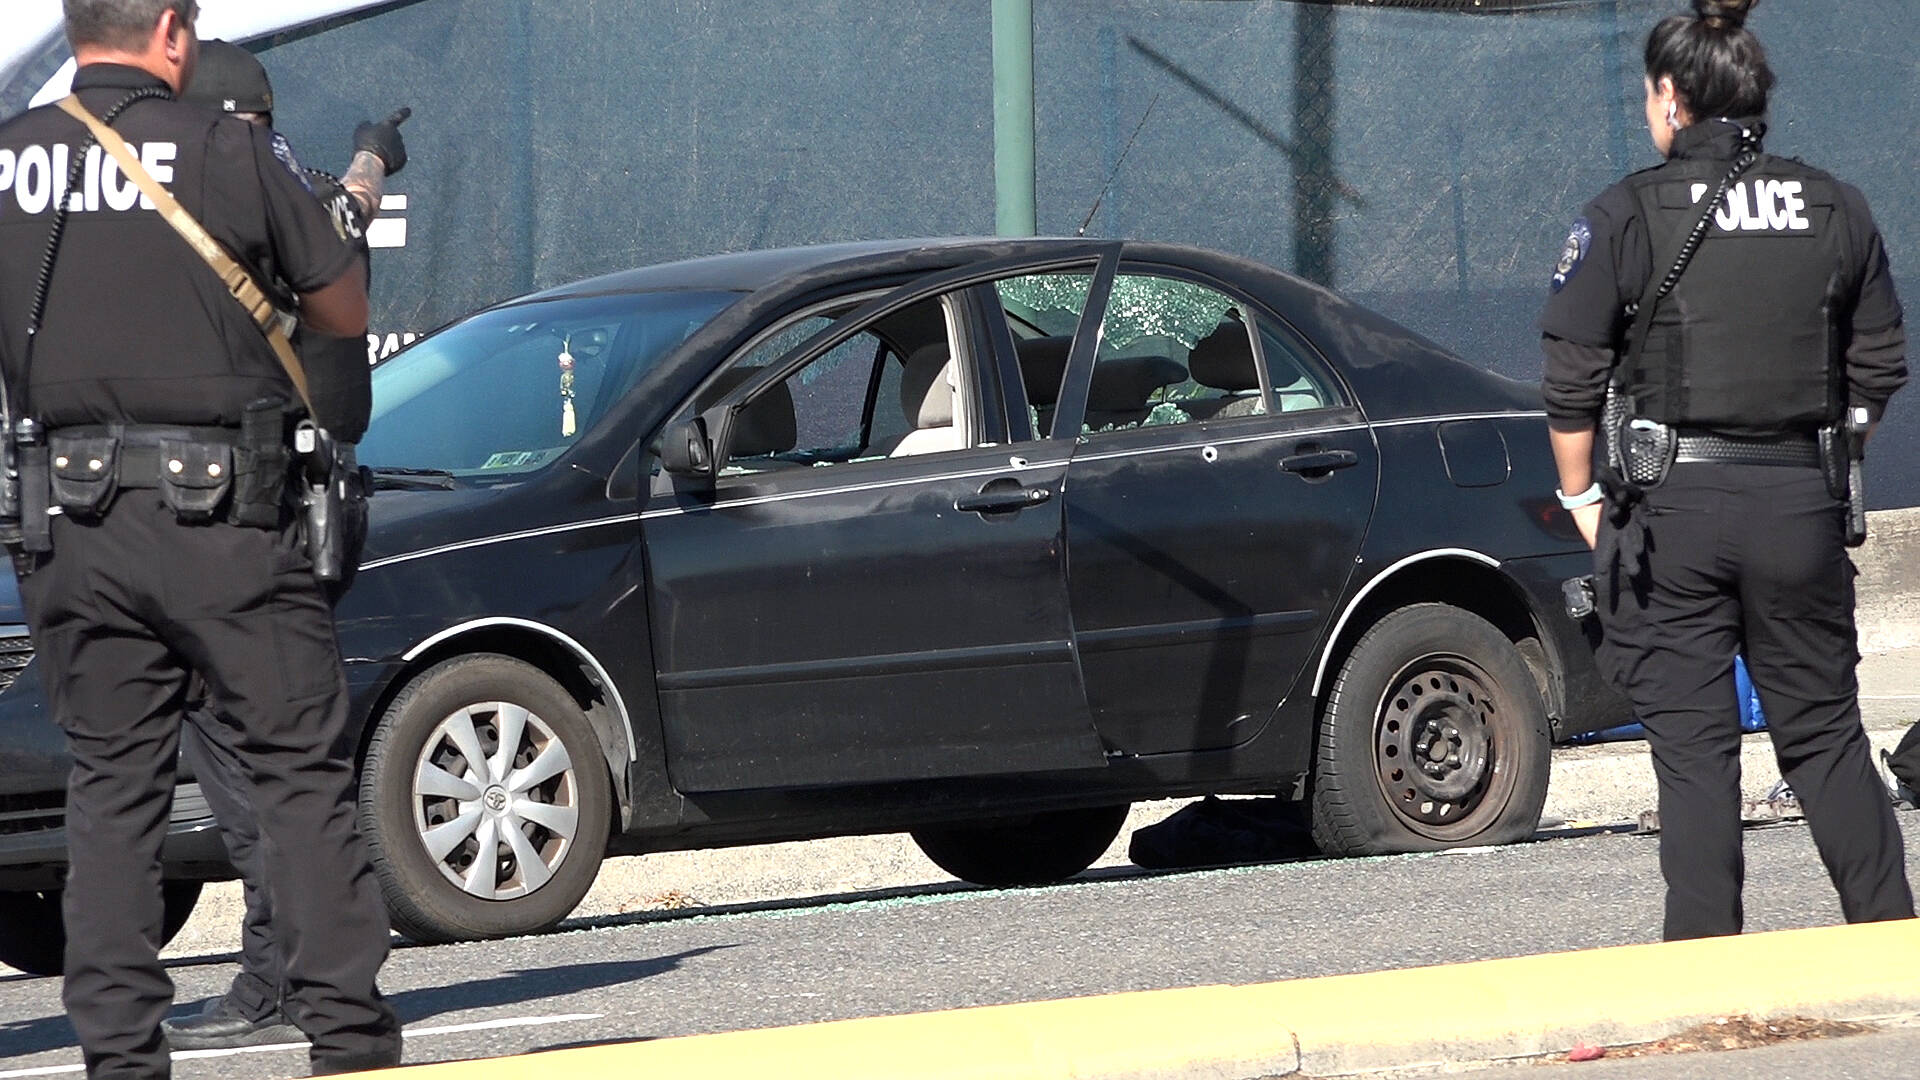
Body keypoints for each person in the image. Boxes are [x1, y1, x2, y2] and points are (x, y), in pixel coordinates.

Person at [0, 3, 402, 1076]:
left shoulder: (10, 165)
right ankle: (348, 1036)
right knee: (296, 776)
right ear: (171, 31)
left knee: (112, 790)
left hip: (69, 525)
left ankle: (122, 1057)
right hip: (226, 521)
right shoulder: (225, 146)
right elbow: (341, 304)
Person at [1540, 0, 1914, 941]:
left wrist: (1579, 494)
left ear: (1673, 97)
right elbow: (1877, 363)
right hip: (1799, 503)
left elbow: (1573, 373)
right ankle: (1891, 938)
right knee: (1825, 735)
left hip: (1669, 511)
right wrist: (1832, 457)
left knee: (1696, 755)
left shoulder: (1624, 213)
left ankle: (1706, 974)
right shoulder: (1832, 206)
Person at [158, 38, 408, 1052]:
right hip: (324, 504)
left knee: (237, 747)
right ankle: (319, 955)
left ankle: (280, 971)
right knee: (290, 747)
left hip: (255, 514)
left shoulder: (219, 204)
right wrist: (376, 150)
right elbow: (353, 195)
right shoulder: (315, 198)